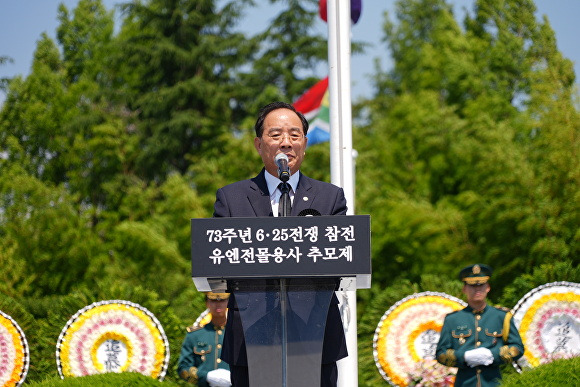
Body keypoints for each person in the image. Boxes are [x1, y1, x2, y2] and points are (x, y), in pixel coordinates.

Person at [213, 101, 348, 387]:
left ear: (305, 143)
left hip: (314, 333)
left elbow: (340, 261)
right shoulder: (231, 198)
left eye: (294, 135)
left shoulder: (330, 198)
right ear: (259, 144)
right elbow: (218, 261)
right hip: (252, 337)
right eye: (276, 135)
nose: (286, 142)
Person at [436, 264, 524, 386]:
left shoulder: (501, 316)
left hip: (493, 383)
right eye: (472, 285)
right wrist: (464, 357)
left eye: (481, 285)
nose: (477, 289)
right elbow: (441, 354)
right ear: (464, 289)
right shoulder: (453, 319)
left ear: (488, 287)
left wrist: (493, 355)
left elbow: (517, 348)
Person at [178, 292, 231, 387]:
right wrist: (206, 376)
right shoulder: (194, 335)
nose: (218, 304)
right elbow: (183, 368)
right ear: (207, 303)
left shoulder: (239, 334)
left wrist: (235, 377)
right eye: (213, 300)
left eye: (222, 300)